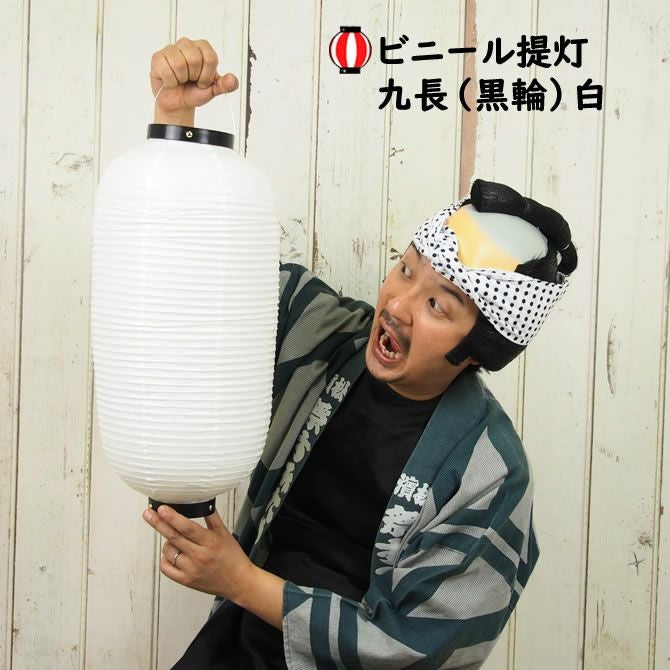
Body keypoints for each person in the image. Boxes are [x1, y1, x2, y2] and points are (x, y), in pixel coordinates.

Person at [142, 38, 578, 669]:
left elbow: (418, 649)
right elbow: (197, 281)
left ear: (481, 347)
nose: (397, 303)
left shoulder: (490, 474)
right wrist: (176, 120)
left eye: (439, 304)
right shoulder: (326, 335)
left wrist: (240, 581)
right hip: (237, 646)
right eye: (406, 269)